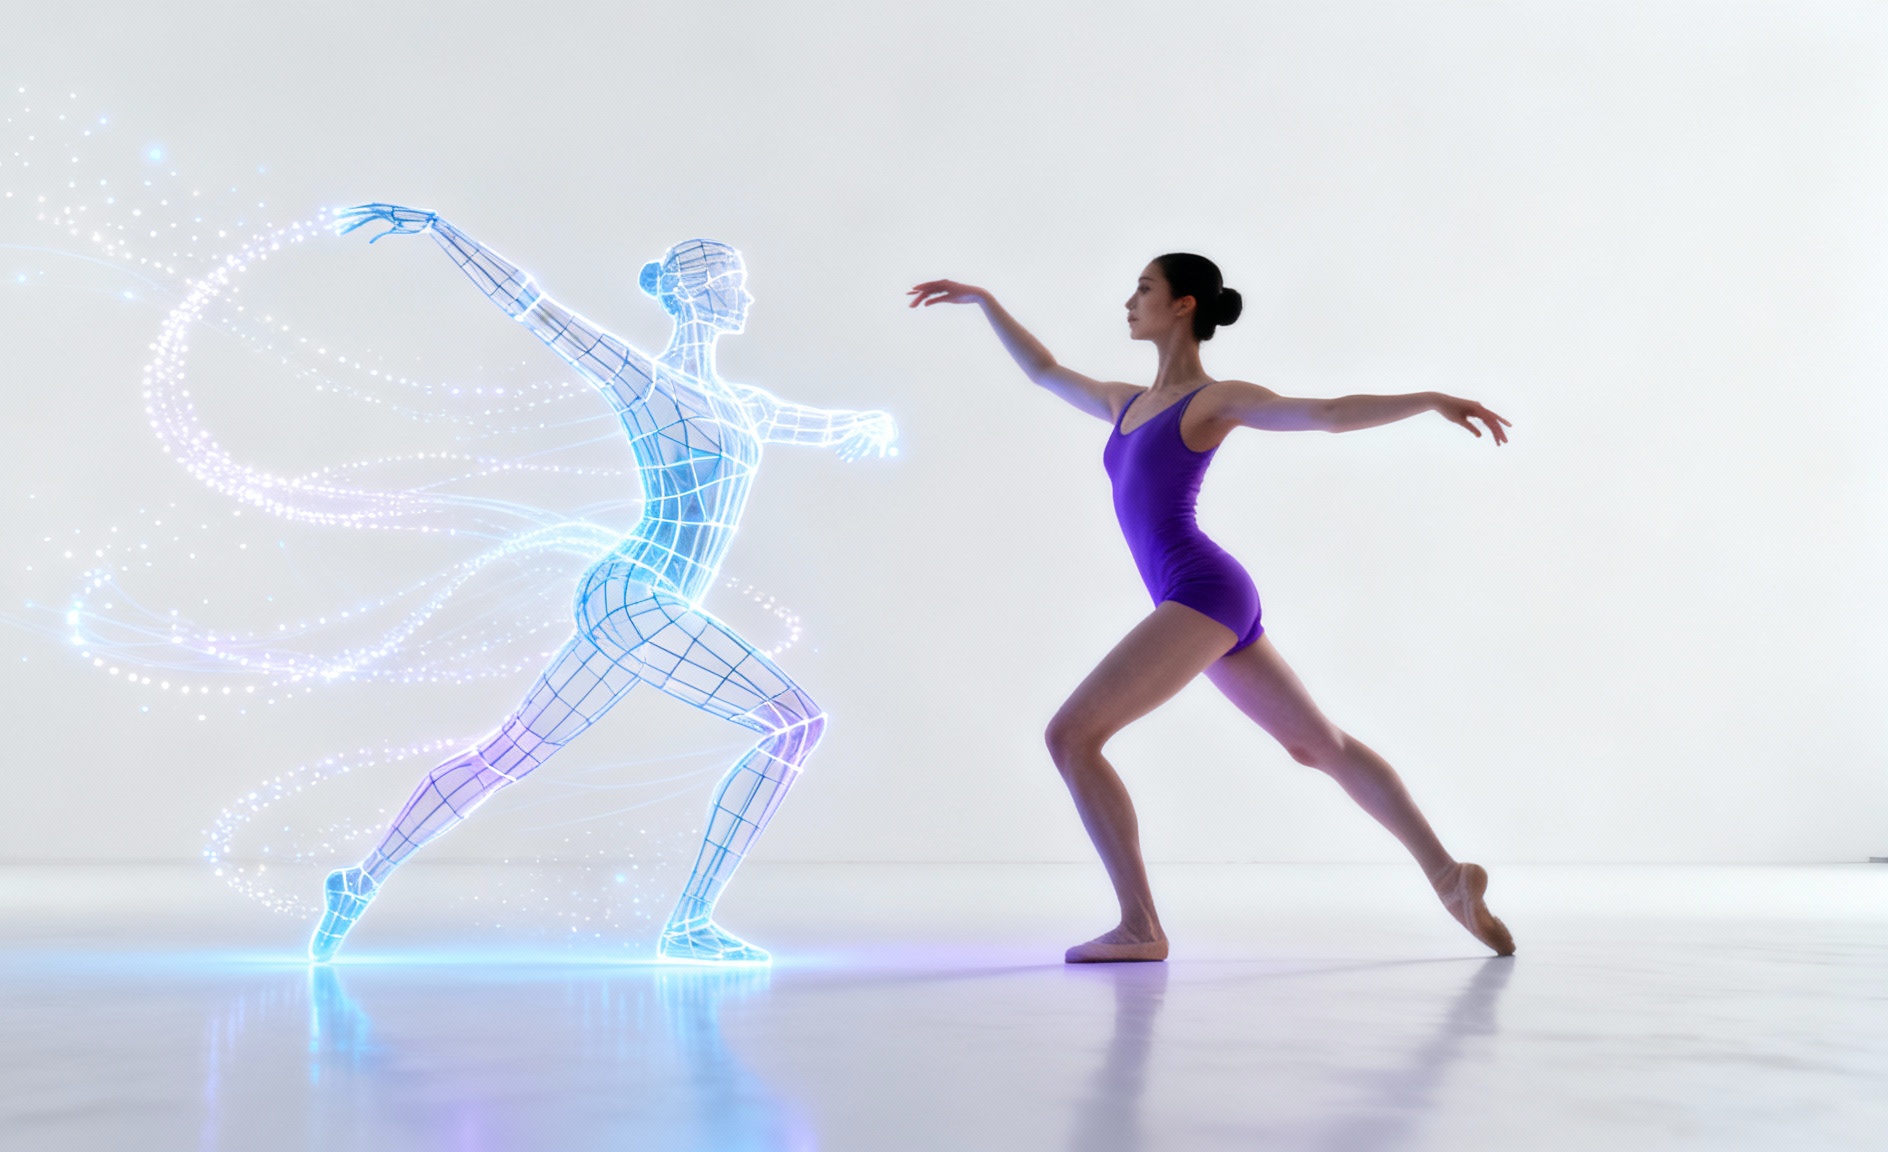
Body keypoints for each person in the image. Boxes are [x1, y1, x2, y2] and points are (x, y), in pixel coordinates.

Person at [308, 205, 898, 964]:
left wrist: (869, 425)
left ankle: (356, 882)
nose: (745, 297)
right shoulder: (646, 383)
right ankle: (688, 924)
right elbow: (532, 306)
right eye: (730, 282)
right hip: (635, 592)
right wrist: (439, 229)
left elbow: (825, 425)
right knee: (793, 721)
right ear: (694, 293)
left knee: (506, 755)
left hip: (646, 604)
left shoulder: (743, 406)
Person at [909, 255, 1514, 962]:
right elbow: (1043, 370)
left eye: (1144, 288)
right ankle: (1451, 878)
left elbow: (1323, 415)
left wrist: (1428, 398)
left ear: (1184, 305)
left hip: (1202, 590)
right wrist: (986, 301)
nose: (1129, 300)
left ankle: (1140, 927)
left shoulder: (1214, 400)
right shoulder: (1124, 402)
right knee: (1317, 745)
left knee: (1071, 736)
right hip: (1194, 595)